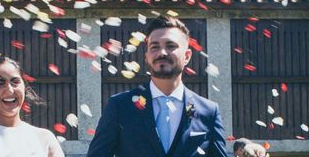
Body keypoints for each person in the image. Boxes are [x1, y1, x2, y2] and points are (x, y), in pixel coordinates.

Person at [87, 16, 229, 157]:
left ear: (187, 56)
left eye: (171, 46)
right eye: (155, 47)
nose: (162, 53)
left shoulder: (208, 112)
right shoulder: (120, 106)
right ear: (147, 56)